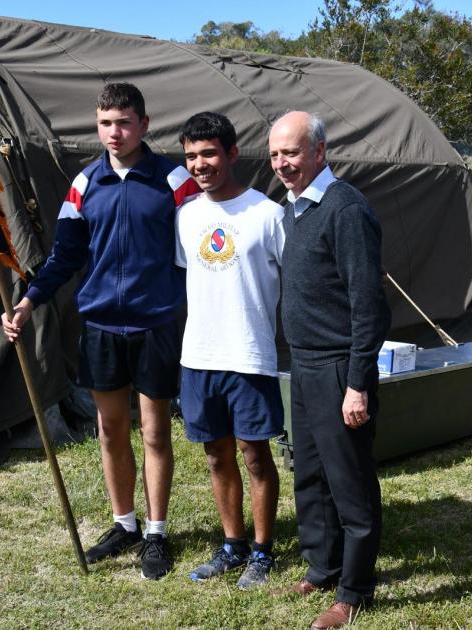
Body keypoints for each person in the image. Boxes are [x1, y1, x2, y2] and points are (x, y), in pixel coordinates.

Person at [1, 83, 198, 580]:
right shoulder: (84, 184)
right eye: (107, 123)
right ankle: (124, 524)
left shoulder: (175, 180)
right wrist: (27, 302)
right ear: (98, 125)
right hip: (102, 327)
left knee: (154, 432)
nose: (116, 133)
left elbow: (206, 245)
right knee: (111, 431)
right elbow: (64, 256)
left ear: (145, 125)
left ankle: (156, 531)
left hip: (156, 325)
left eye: (125, 122)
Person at [269, 111, 391, 630]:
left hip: (341, 367)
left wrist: (358, 383)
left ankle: (354, 590)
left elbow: (370, 305)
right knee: (312, 474)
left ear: (320, 151)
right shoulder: (294, 209)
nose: (282, 164)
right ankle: (323, 566)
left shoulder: (345, 209)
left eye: (292, 153)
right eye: (275, 155)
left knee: (351, 482)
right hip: (306, 364)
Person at [174, 112, 285, 588]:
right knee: (217, 455)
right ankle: (232, 545)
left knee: (255, 455)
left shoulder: (268, 214)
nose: (201, 164)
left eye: (209, 154)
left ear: (232, 154)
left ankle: (263, 552)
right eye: (192, 156)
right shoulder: (187, 215)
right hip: (198, 356)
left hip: (249, 355)